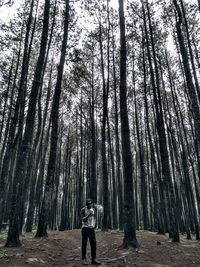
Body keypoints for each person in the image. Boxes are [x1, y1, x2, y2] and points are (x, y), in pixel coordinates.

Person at [81, 199, 101, 265]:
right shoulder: (83, 209)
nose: (89, 205)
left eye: (90, 204)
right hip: (85, 228)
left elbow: (94, 218)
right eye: (88, 204)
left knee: (93, 244)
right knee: (84, 244)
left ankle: (93, 259)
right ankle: (83, 259)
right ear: (86, 205)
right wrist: (88, 215)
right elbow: (83, 220)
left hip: (91, 229)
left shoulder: (93, 209)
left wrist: (94, 225)